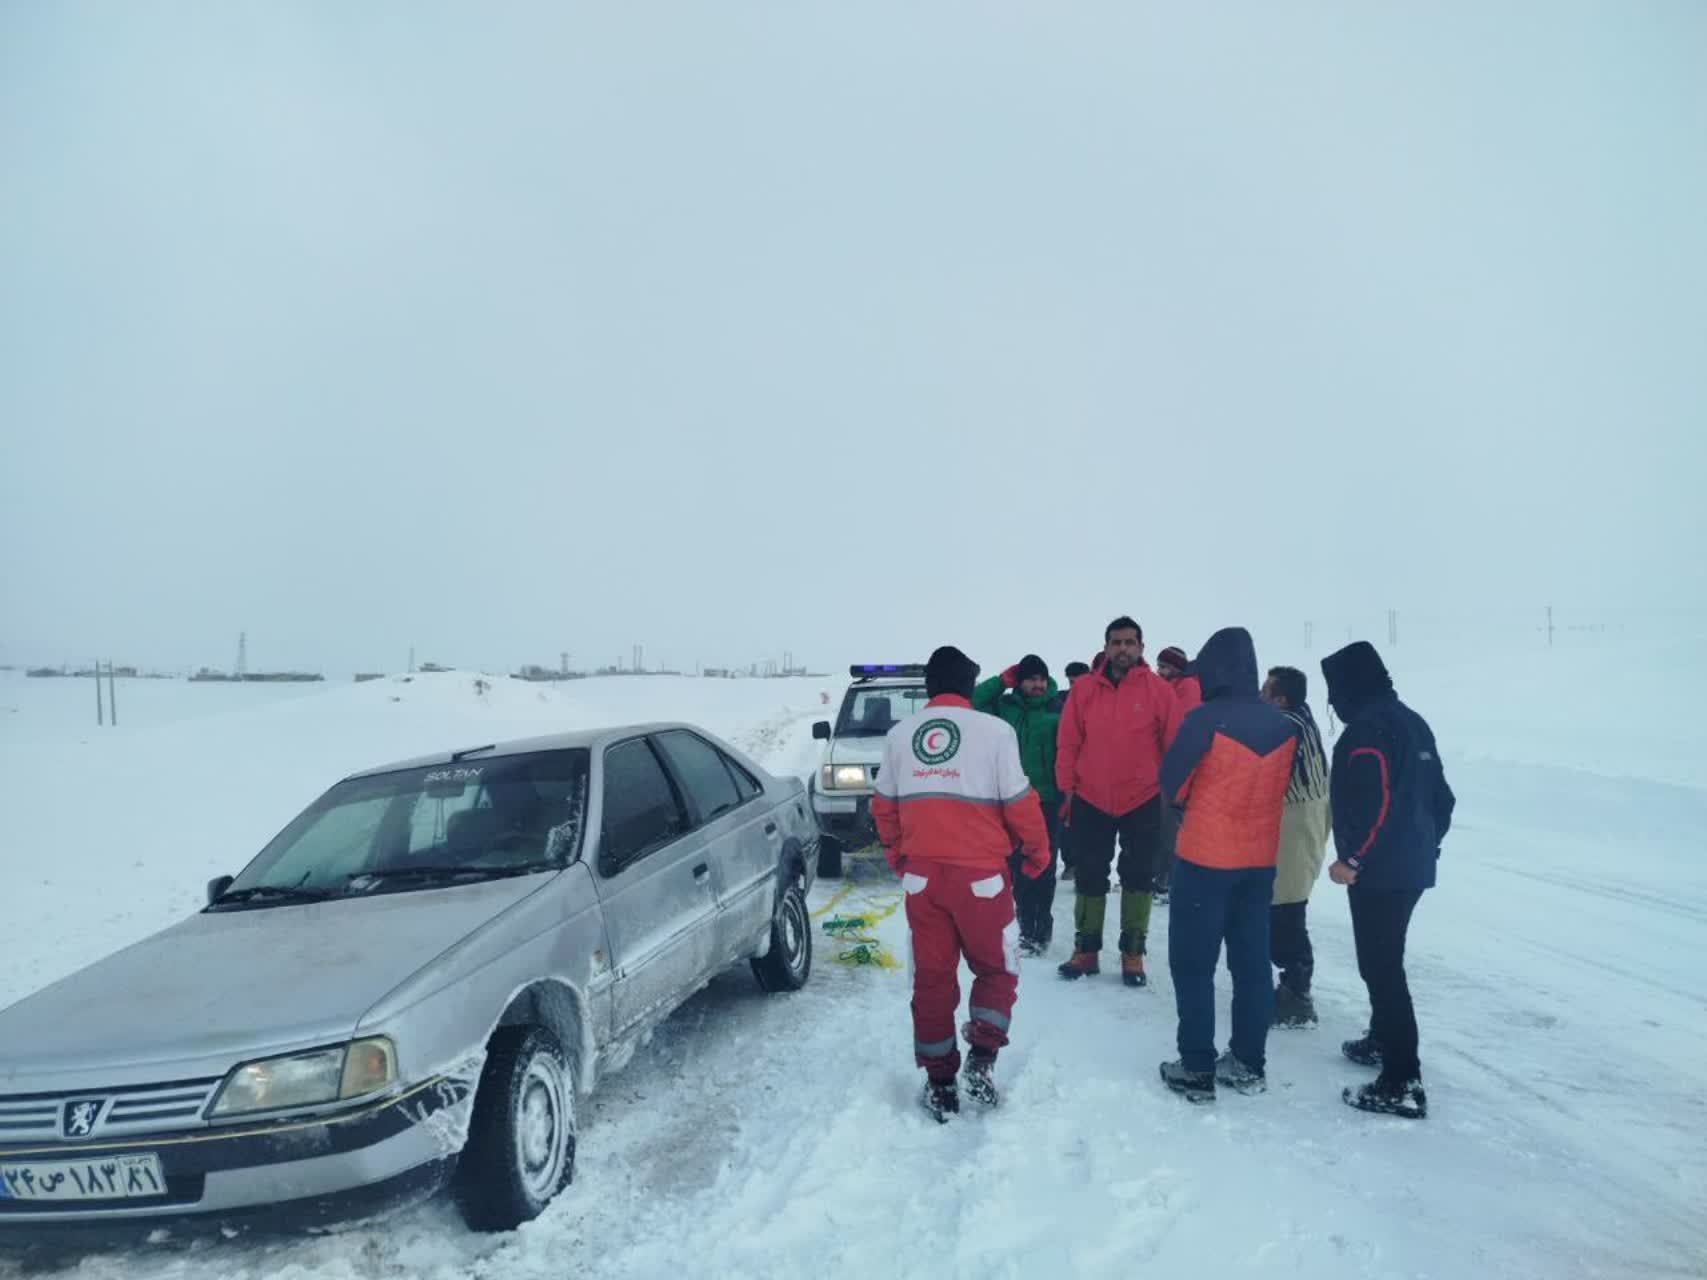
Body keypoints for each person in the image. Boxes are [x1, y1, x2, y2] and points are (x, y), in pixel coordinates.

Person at [873, 645, 1051, 1122]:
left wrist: (900, 856)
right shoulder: (995, 732)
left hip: (923, 881)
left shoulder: (899, 735)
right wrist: (1038, 851)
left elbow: (884, 807)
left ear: (928, 686)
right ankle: (982, 1058)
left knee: (932, 979)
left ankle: (940, 1083)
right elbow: (1020, 801)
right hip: (982, 882)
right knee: (996, 970)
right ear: (971, 686)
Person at [1155, 628, 1299, 1103]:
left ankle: (1196, 1066)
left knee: (1193, 965)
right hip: (1259, 862)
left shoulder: (1204, 720)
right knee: (1252, 965)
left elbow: (1172, 784)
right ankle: (1248, 1062)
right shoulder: (1284, 726)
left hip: (1205, 859)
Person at [1321, 641, 1455, 1121]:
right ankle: (1382, 1038)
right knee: (1382, 960)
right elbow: (1443, 799)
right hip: (1409, 866)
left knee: (1382, 969)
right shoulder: (1412, 721)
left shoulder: (1366, 730)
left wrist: (1355, 858)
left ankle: (1402, 1080)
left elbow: (1373, 800)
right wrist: (1424, 845)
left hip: (1378, 870)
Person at [1055, 617, 1184, 987]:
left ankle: (1133, 952)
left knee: (1139, 874)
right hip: (1090, 797)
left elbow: (1174, 745)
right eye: (1116, 642)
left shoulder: (1159, 691)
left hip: (1142, 799)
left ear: (1141, 647)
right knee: (1090, 873)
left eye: (1130, 642)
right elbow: (1069, 741)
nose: (1123, 648)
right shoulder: (1084, 690)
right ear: (1106, 647)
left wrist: (1171, 793)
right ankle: (1086, 950)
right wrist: (1067, 788)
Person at [973, 654, 1063, 955]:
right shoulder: (1004, 708)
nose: (1038, 685)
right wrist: (1002, 681)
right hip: (1012, 800)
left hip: (1048, 800)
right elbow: (974, 701)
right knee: (1016, 865)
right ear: (1020, 681)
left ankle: (1041, 929)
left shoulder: (1057, 709)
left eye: (1042, 679)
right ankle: (1025, 927)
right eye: (1031, 679)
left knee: (1044, 866)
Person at [1261, 665, 1331, 1028]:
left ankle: (1296, 993)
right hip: (1308, 816)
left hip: (1295, 821)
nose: (1259, 696)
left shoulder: (1285, 725)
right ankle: (1293, 983)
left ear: (1280, 700)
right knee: (1287, 901)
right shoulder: (1302, 716)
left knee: (1286, 906)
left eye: (1265, 691)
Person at [1152, 646, 1202, 902]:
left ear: (1176, 669)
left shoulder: (1187, 688)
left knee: (1170, 829)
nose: (1160, 671)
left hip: (1178, 770)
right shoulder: (1172, 686)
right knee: (1161, 827)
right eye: (1159, 666)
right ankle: (1160, 878)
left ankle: (1167, 881)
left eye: (1165, 667)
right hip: (1166, 767)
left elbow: (1176, 727)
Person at [1053, 660, 1093, 881]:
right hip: (1064, 770)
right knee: (1065, 821)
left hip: (1090, 771)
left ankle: (1085, 864)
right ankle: (1071, 864)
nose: (1075, 687)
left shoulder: (1098, 700)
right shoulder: (1059, 700)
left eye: (1078, 682)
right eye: (1071, 682)